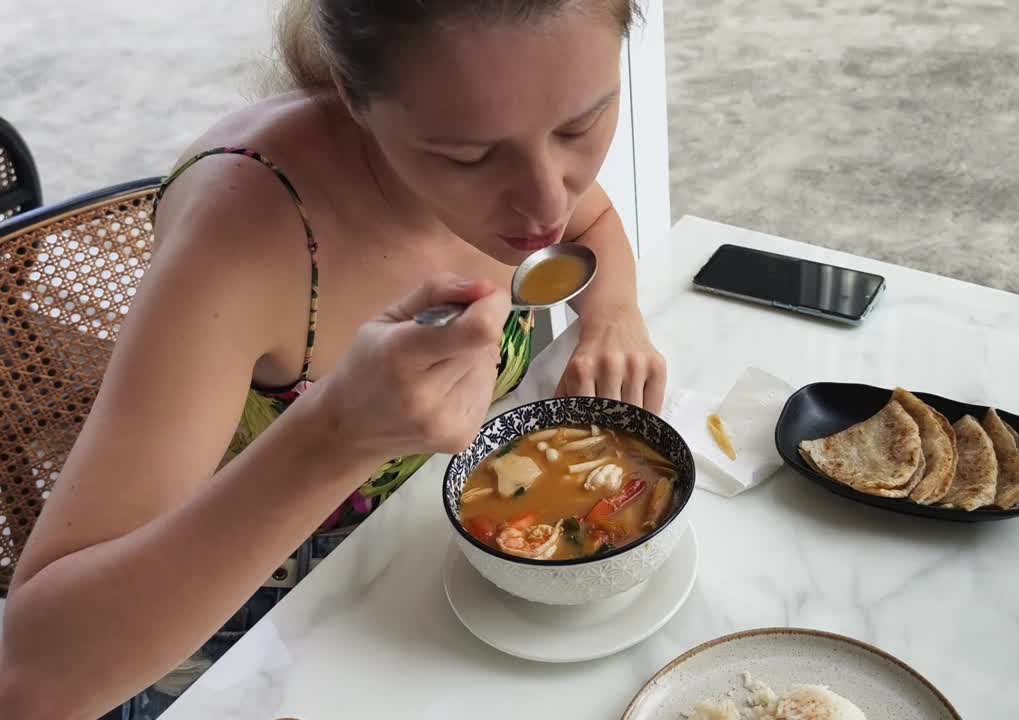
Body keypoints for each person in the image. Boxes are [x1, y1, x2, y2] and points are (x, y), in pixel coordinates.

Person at [0, 1, 664, 717]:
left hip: (425, 571)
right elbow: (34, 677)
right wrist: (338, 435)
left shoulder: (513, 123)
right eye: (468, 156)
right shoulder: (243, 237)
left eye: (580, 125)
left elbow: (588, 220)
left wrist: (614, 314)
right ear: (356, 99)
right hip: (237, 646)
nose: (543, 206)